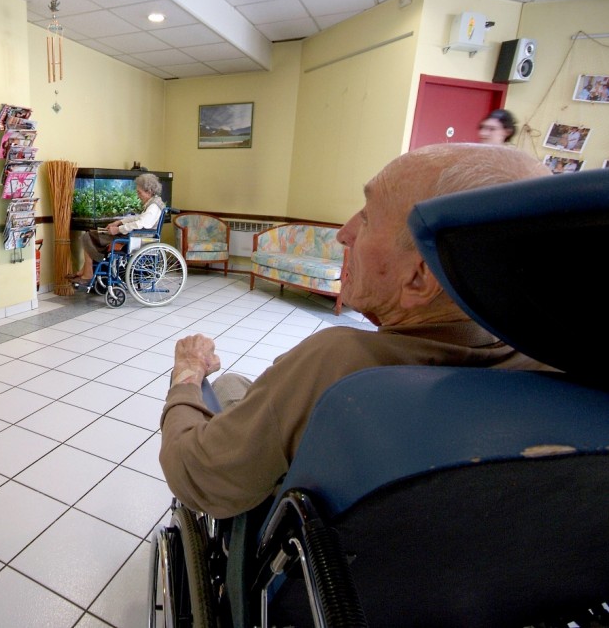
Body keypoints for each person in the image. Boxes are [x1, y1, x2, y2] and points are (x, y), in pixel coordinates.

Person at [159, 143, 555, 519]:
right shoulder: (547, 370)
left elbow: (198, 476)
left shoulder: (337, 363)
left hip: (296, 533)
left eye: (367, 217)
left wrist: (188, 372)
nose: (343, 233)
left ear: (419, 279)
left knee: (227, 384)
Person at [69, 172, 166, 286]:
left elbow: (139, 223)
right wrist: (119, 222)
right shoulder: (153, 203)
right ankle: (85, 270)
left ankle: (88, 273)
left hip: (136, 237)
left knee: (89, 236)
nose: (138, 195)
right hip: (134, 235)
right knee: (91, 234)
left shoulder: (153, 207)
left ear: (149, 191)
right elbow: (138, 218)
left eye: (139, 192)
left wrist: (118, 229)